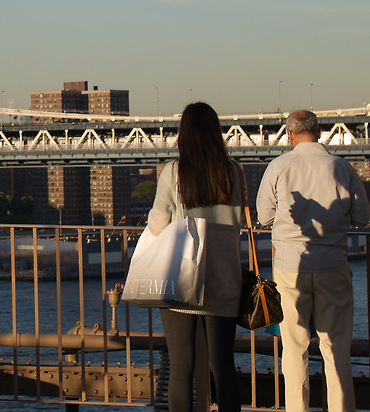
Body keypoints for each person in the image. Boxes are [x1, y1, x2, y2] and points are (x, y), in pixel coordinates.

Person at [257, 110, 370, 412]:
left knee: (294, 349)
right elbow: (362, 217)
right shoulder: (342, 167)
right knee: (336, 349)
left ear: (290, 135)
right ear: (319, 132)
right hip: (332, 264)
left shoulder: (278, 166)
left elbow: (264, 217)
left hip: (290, 268)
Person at [146, 101, 244, 412]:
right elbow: (239, 221)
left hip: (181, 277)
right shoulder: (234, 171)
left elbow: (158, 224)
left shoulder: (173, 172)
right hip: (223, 277)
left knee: (181, 366)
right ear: (216, 132)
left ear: (183, 134)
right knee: (224, 365)